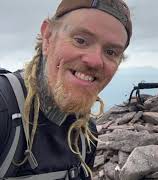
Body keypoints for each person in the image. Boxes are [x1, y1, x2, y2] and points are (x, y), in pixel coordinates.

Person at [0, 0, 132, 179]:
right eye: (80, 40)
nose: (94, 61)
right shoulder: (5, 109)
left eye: (111, 52)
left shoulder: (85, 136)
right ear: (48, 37)